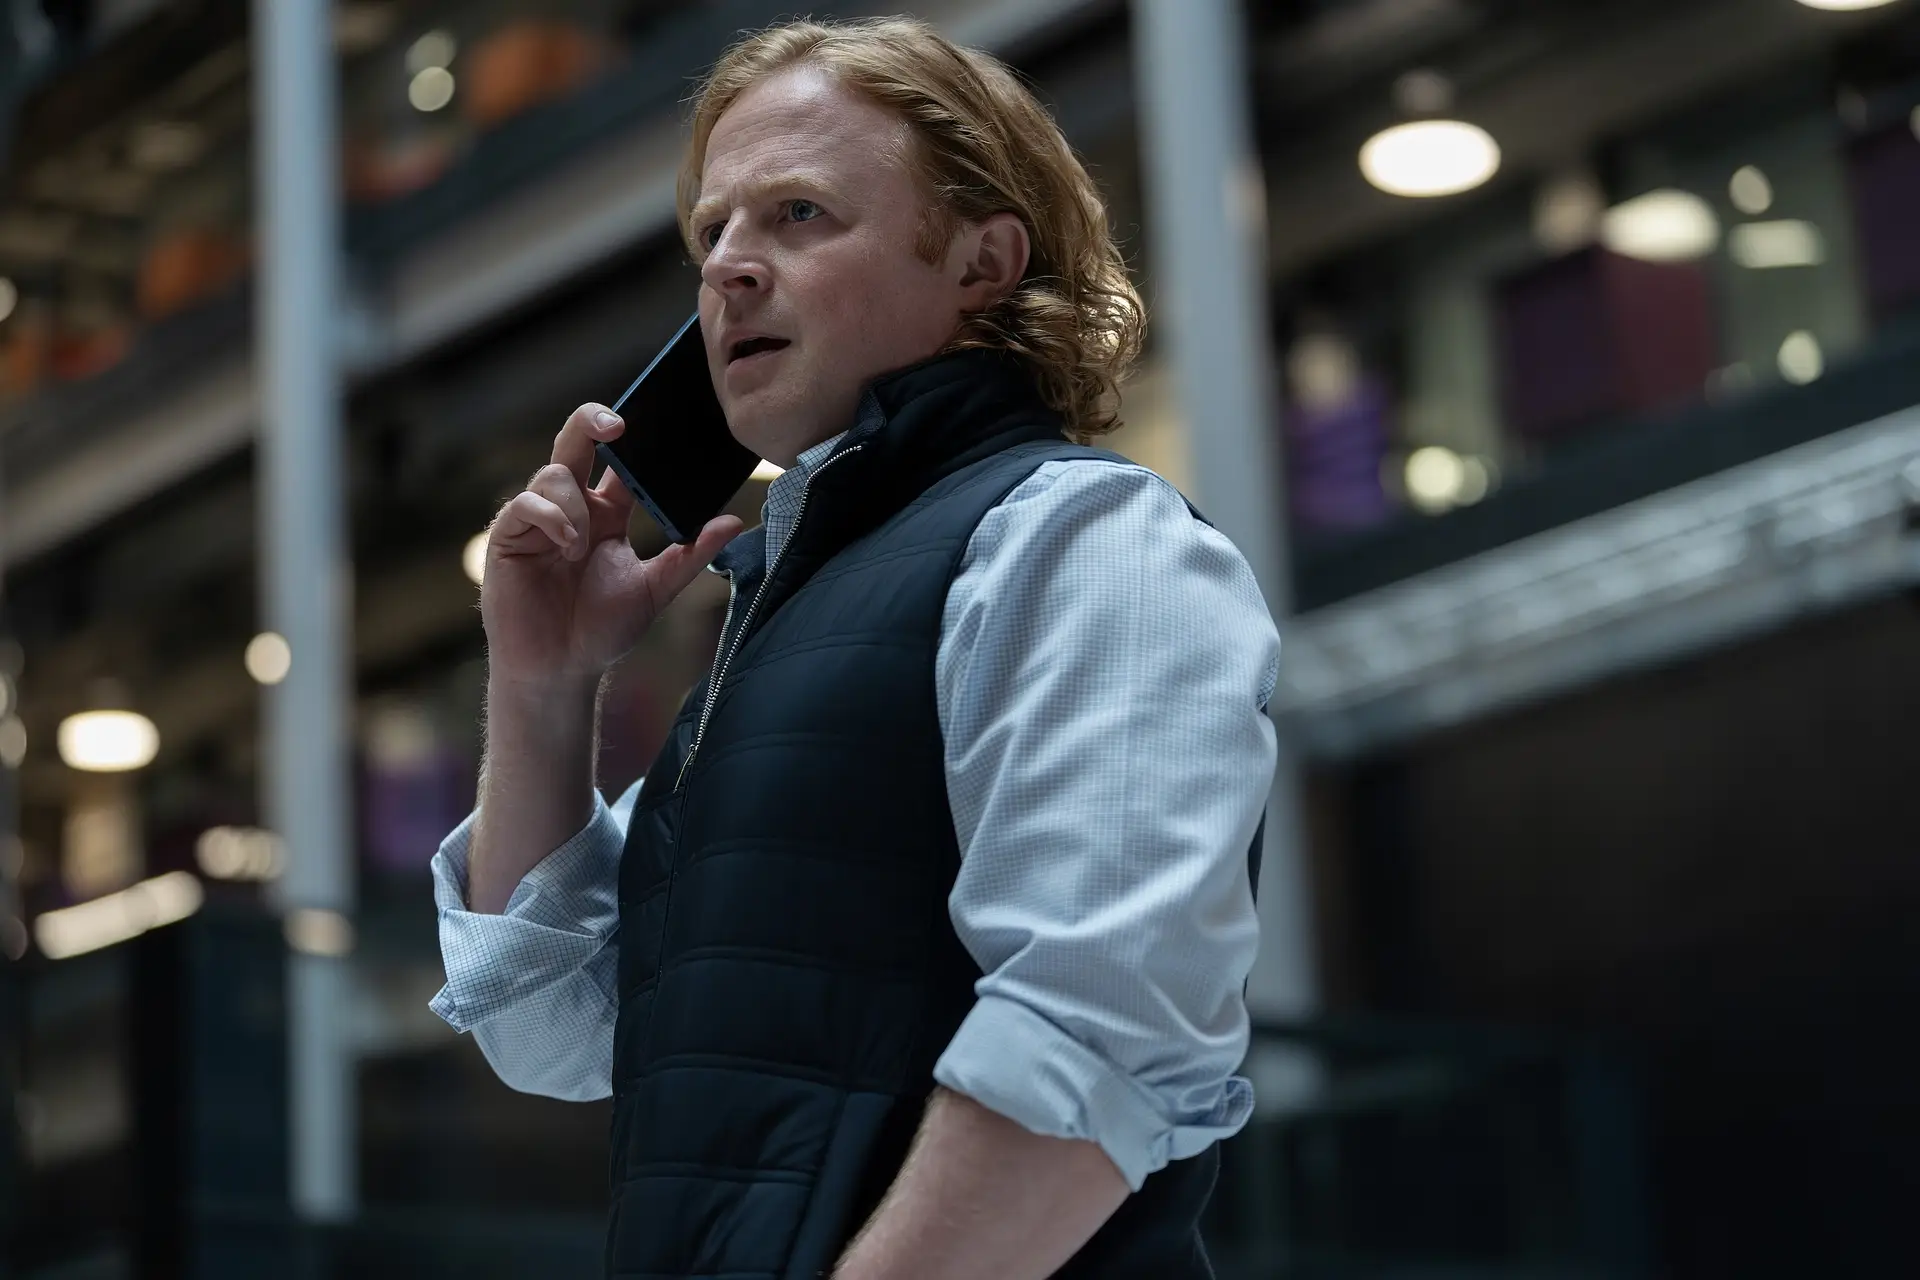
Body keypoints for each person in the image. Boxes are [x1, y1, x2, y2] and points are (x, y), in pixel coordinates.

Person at [429, 16, 1280, 1279]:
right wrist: (547, 683)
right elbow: (551, 1033)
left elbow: (1104, 1035)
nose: (727, 268)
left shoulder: (1085, 538)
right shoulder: (774, 614)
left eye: (799, 215)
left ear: (983, 261)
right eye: (711, 231)